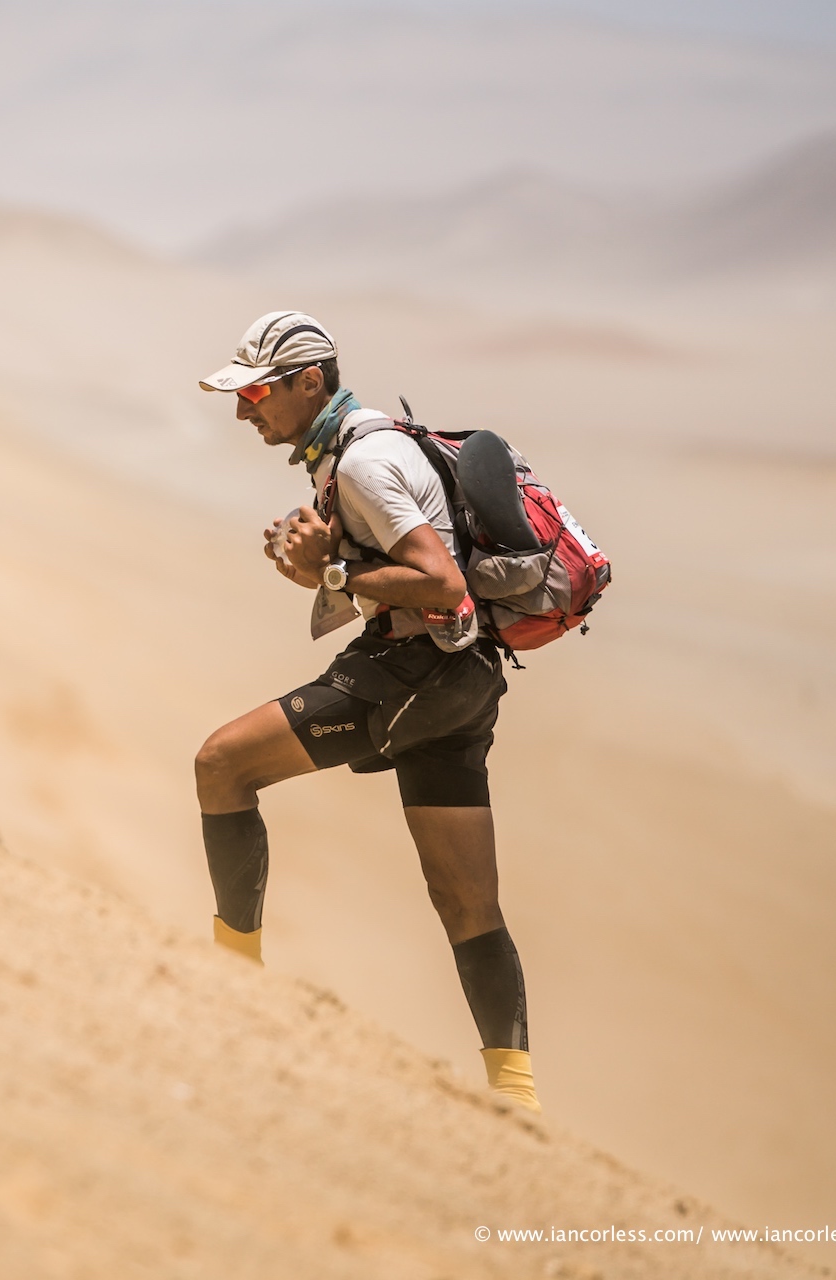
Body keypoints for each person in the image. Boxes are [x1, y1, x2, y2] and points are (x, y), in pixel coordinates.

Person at [192, 310, 541, 1113]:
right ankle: (518, 1100)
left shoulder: (363, 463)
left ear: (310, 382)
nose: (244, 410)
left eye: (257, 393)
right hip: (464, 679)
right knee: (467, 902)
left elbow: (441, 582)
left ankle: (230, 986)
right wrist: (325, 566)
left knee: (222, 764)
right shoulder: (364, 446)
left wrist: (335, 574)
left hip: (414, 669)